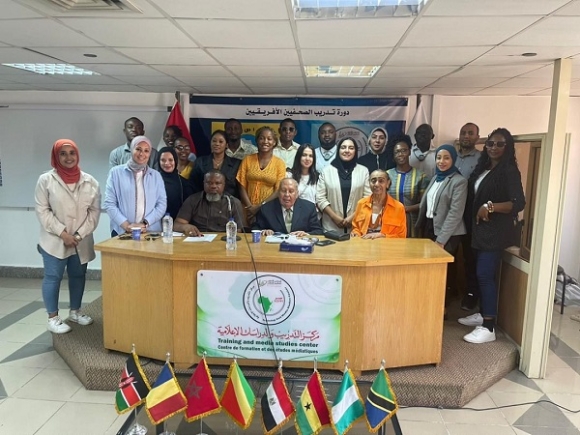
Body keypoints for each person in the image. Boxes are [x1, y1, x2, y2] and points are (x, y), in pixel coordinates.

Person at [459, 128, 525, 344]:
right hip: (479, 231)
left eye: (499, 144)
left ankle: (489, 326)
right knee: (480, 274)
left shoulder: (509, 171)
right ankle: (483, 313)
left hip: (495, 232)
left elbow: (518, 203)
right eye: (490, 144)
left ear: (507, 147)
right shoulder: (484, 168)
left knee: (485, 275)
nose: (494, 148)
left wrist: (491, 206)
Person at [35, 139, 101, 334]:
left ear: (77, 155)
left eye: (71, 153)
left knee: (78, 275)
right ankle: (53, 318)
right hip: (54, 240)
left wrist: (78, 236)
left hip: (81, 240)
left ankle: (76, 311)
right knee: (53, 277)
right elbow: (42, 211)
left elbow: (94, 213)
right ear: (56, 156)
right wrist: (63, 234)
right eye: (63, 153)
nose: (68, 157)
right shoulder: (45, 180)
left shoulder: (91, 182)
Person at [416, 144, 468, 306]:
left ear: (453, 159)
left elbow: (455, 213)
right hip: (430, 227)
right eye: (439, 157)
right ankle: (430, 303)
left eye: (446, 158)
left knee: (443, 272)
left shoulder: (459, 181)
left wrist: (441, 240)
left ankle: (442, 308)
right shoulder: (436, 177)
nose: (442, 161)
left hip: (448, 233)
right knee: (430, 270)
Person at [104, 135, 167, 236]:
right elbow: (109, 203)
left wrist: (145, 223)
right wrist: (126, 225)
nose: (142, 154)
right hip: (122, 231)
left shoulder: (156, 176)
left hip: (149, 232)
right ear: (132, 150)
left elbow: (161, 204)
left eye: (146, 151)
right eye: (138, 149)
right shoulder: (115, 173)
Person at [316, 137, 371, 233]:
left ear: (355, 151)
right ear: (338, 150)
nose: (347, 150)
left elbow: (368, 198)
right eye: (343, 147)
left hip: (356, 226)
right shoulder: (326, 171)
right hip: (331, 226)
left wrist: (353, 217)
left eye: (351, 148)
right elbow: (320, 198)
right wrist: (335, 217)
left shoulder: (363, 171)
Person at [456, 122, 483, 311]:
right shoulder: (449, 155)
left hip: (469, 214)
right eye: (463, 133)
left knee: (469, 256)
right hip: (449, 214)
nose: (466, 136)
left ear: (477, 137)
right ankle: (448, 291)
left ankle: (471, 294)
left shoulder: (482, 159)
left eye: (470, 133)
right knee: (446, 255)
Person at [237, 126, 287, 222]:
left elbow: (278, 190)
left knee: (266, 235)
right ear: (257, 141)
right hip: (246, 210)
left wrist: (260, 206)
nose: (265, 141)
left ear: (274, 143)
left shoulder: (279, 163)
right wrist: (250, 207)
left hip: (269, 210)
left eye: (269, 139)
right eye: (262, 138)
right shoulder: (247, 160)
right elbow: (241, 185)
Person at [174, 170, 244, 236]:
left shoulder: (233, 202)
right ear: (204, 183)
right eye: (209, 183)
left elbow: (239, 230)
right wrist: (185, 227)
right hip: (198, 239)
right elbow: (177, 225)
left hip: (223, 240)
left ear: (224, 185)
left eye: (217, 183)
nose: (213, 186)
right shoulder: (192, 200)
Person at [386, 134, 429, 238]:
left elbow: (424, 203)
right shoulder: (387, 175)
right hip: (391, 221)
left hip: (413, 222)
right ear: (393, 155)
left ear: (409, 151)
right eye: (397, 152)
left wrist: (405, 209)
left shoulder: (421, 176)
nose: (400, 154)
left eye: (404, 150)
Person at [253, 178, 323, 237]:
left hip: (300, 249)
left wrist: (306, 234)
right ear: (278, 193)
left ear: (297, 194)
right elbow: (255, 228)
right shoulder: (266, 208)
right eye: (283, 191)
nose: (287, 194)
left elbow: (318, 231)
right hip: (273, 249)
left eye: (291, 191)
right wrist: (263, 231)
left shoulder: (309, 208)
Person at [351, 170, 406, 239]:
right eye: (373, 181)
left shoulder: (398, 207)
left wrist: (383, 236)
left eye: (381, 181)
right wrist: (355, 233)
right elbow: (356, 228)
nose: (376, 184)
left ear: (388, 183)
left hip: (387, 248)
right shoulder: (361, 203)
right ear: (369, 183)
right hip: (363, 246)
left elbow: (401, 236)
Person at [190, 130, 240, 198]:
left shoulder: (236, 164)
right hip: (204, 202)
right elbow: (193, 185)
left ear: (227, 145)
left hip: (228, 203)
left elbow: (239, 188)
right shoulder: (200, 162)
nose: (217, 144)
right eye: (214, 141)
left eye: (221, 142)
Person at [157, 146, 192, 220]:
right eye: (163, 160)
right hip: (156, 223)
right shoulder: (153, 181)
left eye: (170, 160)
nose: (167, 163)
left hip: (178, 224)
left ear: (175, 161)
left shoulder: (183, 183)